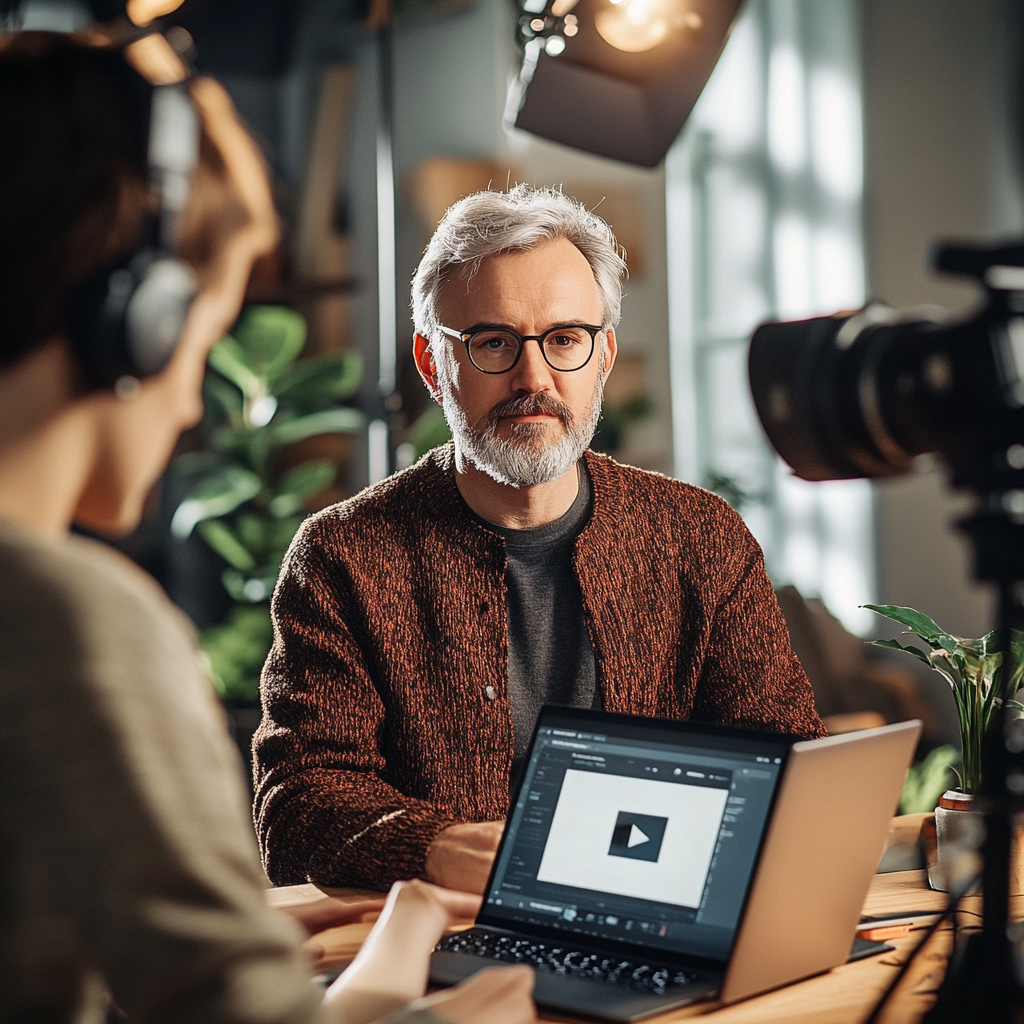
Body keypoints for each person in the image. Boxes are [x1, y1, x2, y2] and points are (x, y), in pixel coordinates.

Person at [0, 31, 534, 1024]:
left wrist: (409, 922)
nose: (191, 405)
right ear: (135, 319)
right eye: (203, 334)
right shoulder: (64, 619)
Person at [253, 185, 826, 897]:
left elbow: (786, 756)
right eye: (493, 342)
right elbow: (297, 809)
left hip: (661, 920)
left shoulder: (702, 538)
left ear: (603, 355)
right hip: (442, 942)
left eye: (564, 340)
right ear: (433, 365)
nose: (534, 377)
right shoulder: (341, 557)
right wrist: (433, 849)